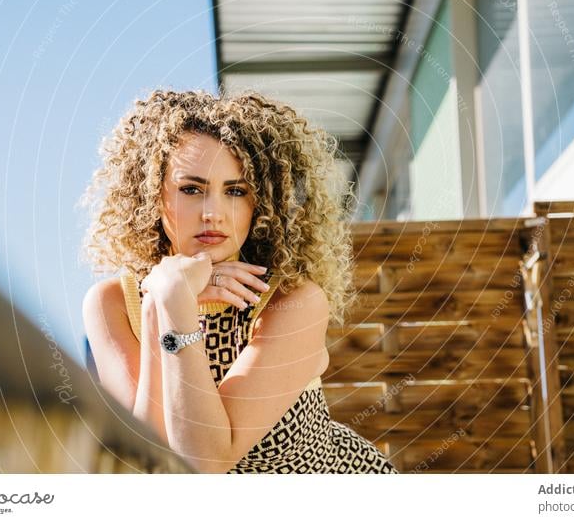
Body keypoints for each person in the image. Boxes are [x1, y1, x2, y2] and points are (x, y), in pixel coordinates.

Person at [80, 89, 397, 474]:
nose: (212, 213)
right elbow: (147, 464)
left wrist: (176, 304)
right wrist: (159, 303)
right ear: (151, 194)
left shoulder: (291, 300)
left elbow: (206, 460)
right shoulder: (113, 302)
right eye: (192, 189)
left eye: (235, 191)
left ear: (261, 203)